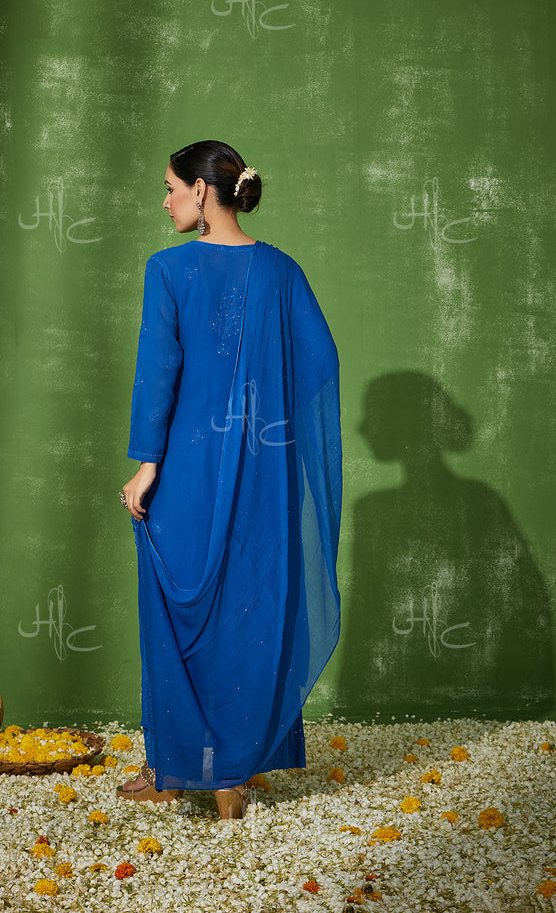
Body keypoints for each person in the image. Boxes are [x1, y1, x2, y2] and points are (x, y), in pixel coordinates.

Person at [118, 140, 342, 819]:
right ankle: (230, 777)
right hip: (263, 474)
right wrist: (269, 431)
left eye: (169, 188)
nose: (165, 202)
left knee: (177, 608)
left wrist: (147, 465)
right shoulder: (280, 270)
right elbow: (319, 361)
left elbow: (158, 371)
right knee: (248, 607)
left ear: (200, 191)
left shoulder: (168, 269)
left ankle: (176, 768)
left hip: (188, 466)